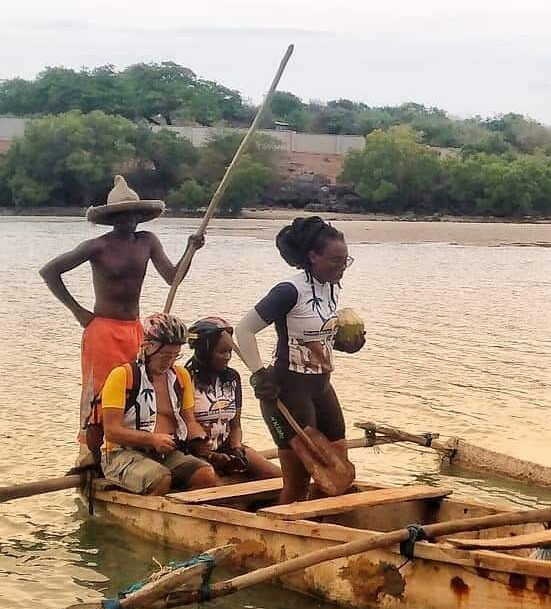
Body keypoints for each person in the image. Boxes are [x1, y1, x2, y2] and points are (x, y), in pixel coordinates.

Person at [39, 175, 204, 443]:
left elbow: (172, 277)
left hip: (134, 328)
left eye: (133, 215)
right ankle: (92, 454)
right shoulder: (97, 246)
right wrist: (78, 312)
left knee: (137, 386)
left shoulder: (147, 241)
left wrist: (190, 250)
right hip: (103, 329)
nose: (129, 221)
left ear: (139, 216)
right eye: (122, 216)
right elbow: (50, 272)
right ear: (112, 219)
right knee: (100, 393)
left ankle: (134, 442)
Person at [234, 216, 365, 504]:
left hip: (321, 386)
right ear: (313, 256)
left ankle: (324, 524)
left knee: (337, 471)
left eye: (346, 260)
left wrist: (349, 343)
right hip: (288, 390)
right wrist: (259, 375)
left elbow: (319, 337)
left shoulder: (331, 287)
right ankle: (281, 533)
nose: (342, 267)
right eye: (335, 260)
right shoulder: (289, 291)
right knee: (299, 481)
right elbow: (243, 330)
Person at [99, 313, 220, 496]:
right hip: (121, 454)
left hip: (165, 453)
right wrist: (152, 439)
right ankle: (147, 519)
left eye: (175, 356)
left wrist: (201, 439)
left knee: (206, 475)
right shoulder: (123, 376)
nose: (169, 362)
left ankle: (185, 515)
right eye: (164, 355)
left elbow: (189, 421)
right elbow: (111, 431)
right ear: (148, 347)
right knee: (159, 478)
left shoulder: (180, 377)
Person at [184, 317, 282, 481]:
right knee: (214, 486)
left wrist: (236, 448)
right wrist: (211, 455)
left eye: (229, 351)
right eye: (221, 351)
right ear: (204, 350)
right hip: (195, 452)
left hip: (227, 447)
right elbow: (181, 426)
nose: (228, 357)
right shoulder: (185, 379)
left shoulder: (232, 378)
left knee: (278, 478)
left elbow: (235, 425)